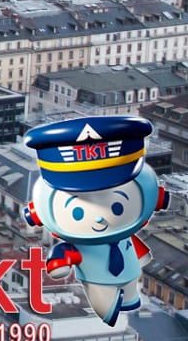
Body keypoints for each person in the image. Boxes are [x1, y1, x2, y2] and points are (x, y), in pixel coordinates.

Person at [24, 116, 169, 325]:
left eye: (115, 206)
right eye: (78, 211)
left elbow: (137, 250)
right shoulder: (79, 244)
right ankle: (109, 311)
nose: (100, 217)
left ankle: (128, 301)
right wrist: (60, 263)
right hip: (97, 281)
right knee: (104, 303)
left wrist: (142, 257)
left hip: (127, 275)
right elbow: (62, 258)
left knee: (129, 294)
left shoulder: (125, 235)